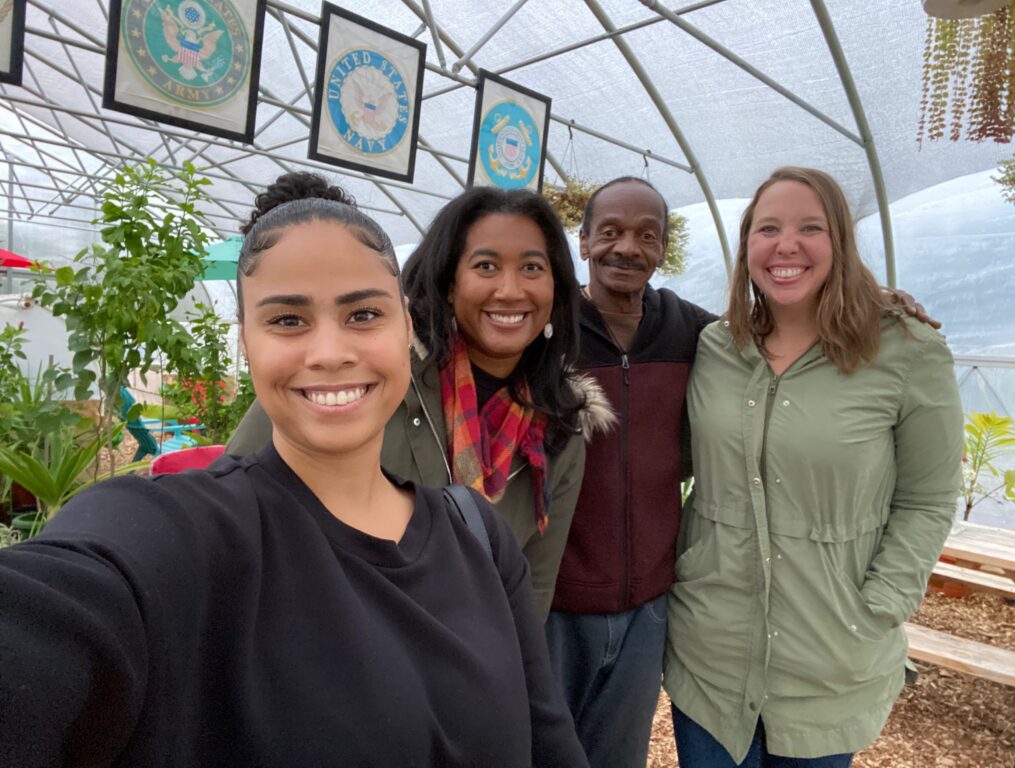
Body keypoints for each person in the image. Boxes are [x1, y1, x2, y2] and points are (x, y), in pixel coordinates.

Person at [0, 174, 589, 767]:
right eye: (287, 320)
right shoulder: (182, 536)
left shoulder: (481, 540)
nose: (329, 352)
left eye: (363, 314)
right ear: (246, 342)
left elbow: (548, 736)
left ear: (405, 326)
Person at [663, 167, 962, 767]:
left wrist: (882, 601)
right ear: (747, 243)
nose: (786, 245)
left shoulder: (905, 350)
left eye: (810, 228)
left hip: (831, 656)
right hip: (711, 651)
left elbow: (927, 499)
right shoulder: (715, 346)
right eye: (767, 228)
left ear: (840, 243)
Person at [229, 184, 613, 618]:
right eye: (486, 265)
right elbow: (231, 513)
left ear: (556, 289)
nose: (510, 290)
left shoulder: (560, 426)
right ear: (450, 284)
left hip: (468, 661)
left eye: (532, 267)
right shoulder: (371, 377)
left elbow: (534, 588)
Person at [545, 176, 718, 768]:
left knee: (618, 756)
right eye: (611, 231)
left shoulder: (691, 330)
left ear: (663, 249)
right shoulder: (545, 326)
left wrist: (877, 304)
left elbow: (779, 327)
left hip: (647, 606)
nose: (628, 248)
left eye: (647, 235)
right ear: (584, 240)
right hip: (552, 602)